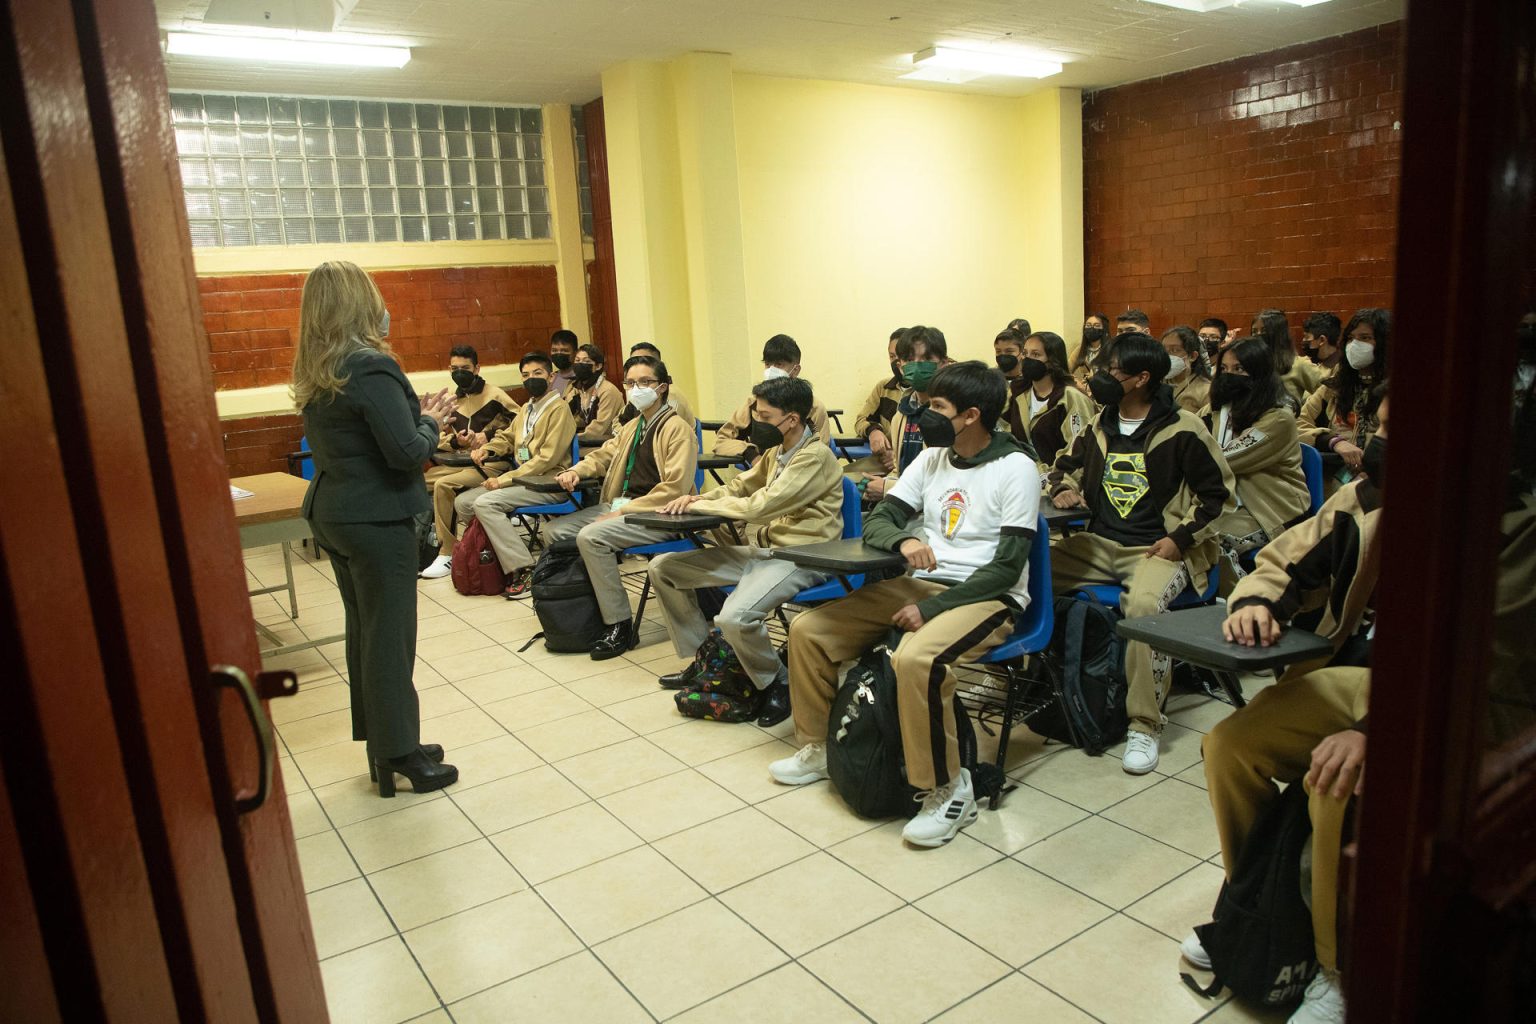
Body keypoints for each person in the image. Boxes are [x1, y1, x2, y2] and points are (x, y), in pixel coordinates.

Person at [773, 361, 1040, 848]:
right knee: (808, 630)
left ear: (972, 415)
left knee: (919, 658)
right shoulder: (932, 459)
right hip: (922, 584)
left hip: (986, 595)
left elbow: (1007, 567)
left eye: (937, 407)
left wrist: (932, 611)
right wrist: (902, 544)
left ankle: (946, 789)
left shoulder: (1017, 468)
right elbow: (880, 521)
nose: (922, 414)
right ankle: (816, 748)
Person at [1187, 389, 1388, 1024]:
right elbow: (1286, 557)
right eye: (1380, 424)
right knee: (1228, 746)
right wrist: (1256, 600)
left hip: (1442, 706)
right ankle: (1255, 910)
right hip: (1351, 674)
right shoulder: (1364, 499)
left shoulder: (1507, 519)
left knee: (1328, 784)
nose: (1380, 440)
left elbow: (1488, 660)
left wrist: (1371, 731)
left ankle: (1334, 970)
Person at [292, 260, 458, 798]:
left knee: (365, 633)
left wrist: (415, 420)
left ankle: (385, 742)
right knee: (390, 638)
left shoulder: (322, 368)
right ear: (360, 303)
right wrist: (433, 420)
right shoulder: (370, 366)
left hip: (336, 512)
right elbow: (406, 451)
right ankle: (399, 753)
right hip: (377, 517)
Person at [1047, 332, 1235, 774]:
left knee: (1144, 607)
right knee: (1027, 574)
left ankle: (1144, 724)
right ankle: (1038, 685)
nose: (1101, 377)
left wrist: (1181, 540)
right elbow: (1062, 466)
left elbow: (1220, 498)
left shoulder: (1184, 428)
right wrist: (1062, 490)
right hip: (1099, 544)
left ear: (1141, 378)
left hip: (1156, 548)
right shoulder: (1099, 423)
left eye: (1113, 370)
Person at [649, 376, 844, 725]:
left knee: (733, 617)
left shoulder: (814, 457)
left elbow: (761, 506)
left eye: (765, 417)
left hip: (806, 557)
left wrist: (702, 509)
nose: (756, 423)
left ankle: (777, 682)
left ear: (793, 420)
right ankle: (708, 660)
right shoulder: (777, 454)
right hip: (768, 553)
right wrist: (694, 499)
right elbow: (739, 487)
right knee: (664, 568)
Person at [548, 355, 699, 658]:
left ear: (663, 388)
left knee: (592, 537)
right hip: (623, 508)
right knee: (556, 531)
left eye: (645, 382)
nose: (636, 389)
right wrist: (578, 470)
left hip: (659, 515)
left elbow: (674, 488)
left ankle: (618, 624)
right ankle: (583, 613)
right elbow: (603, 455)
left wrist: (625, 512)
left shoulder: (676, 429)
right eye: (630, 383)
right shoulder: (632, 426)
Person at [448, 352, 578, 598]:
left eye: (537, 374)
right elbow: (507, 437)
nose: (531, 379)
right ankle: (495, 561)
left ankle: (524, 568)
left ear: (551, 377)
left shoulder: (558, 409)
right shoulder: (528, 408)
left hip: (548, 483)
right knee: (463, 502)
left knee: (486, 502)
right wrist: (488, 448)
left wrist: (504, 480)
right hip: (523, 481)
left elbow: (546, 460)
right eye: (525, 375)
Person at [1203, 337, 1311, 590]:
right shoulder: (1220, 410)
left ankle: (1245, 605)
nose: (1230, 376)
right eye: (1225, 369)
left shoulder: (1278, 418)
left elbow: (1224, 460)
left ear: (1259, 373)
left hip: (1269, 510)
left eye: (1239, 369)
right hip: (1228, 506)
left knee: (1210, 539)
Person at [420, 345, 519, 578]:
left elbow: (521, 425)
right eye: (455, 369)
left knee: (445, 487)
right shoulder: (452, 401)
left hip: (492, 464)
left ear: (477, 368)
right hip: (459, 462)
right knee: (419, 481)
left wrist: (489, 435)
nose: (460, 372)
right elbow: (437, 437)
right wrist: (457, 442)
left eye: (465, 368)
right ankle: (428, 542)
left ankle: (448, 552)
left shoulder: (495, 395)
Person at [1297, 308, 1391, 479]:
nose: (1354, 345)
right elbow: (1297, 425)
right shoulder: (1335, 385)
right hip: (1335, 478)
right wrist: (1333, 441)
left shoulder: (1393, 389)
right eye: (1350, 338)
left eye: (1365, 338)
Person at [862, 325, 949, 499]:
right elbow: (899, 469)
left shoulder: (951, 413)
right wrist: (880, 486)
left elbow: (946, 481)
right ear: (900, 366)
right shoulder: (902, 413)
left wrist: (888, 488)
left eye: (926, 358)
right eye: (909, 359)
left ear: (943, 363)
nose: (916, 365)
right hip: (904, 503)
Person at [712, 335, 831, 461]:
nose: (771, 370)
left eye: (779, 364)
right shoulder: (754, 403)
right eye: (768, 364)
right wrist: (751, 454)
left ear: (795, 370)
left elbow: (821, 455)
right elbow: (721, 441)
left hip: (800, 472)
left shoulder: (814, 407)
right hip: (763, 472)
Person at [1004, 330, 1092, 478]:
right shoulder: (1017, 392)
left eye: (1036, 355)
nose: (1028, 359)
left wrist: (1047, 475)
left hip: (1059, 481)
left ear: (1052, 361)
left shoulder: (1070, 398)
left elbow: (1077, 449)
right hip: (1019, 474)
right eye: (1025, 353)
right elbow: (1001, 429)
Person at [851, 327, 907, 476]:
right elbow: (861, 420)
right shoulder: (884, 388)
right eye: (891, 356)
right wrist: (873, 431)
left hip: (910, 468)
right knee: (840, 480)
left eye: (901, 356)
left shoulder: (926, 394)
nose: (896, 362)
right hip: (883, 463)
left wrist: (898, 456)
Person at [1253, 308, 1321, 409]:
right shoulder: (1249, 365)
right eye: (1254, 331)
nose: (1258, 335)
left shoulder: (1299, 364)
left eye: (1264, 331)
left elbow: (1325, 393)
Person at [624, 342, 695, 425]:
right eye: (633, 362)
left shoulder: (670, 395)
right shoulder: (636, 393)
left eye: (645, 381)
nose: (637, 364)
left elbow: (665, 425)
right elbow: (618, 422)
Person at [568, 343, 624, 443]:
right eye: (577, 360)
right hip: (590, 441)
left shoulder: (608, 391)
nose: (580, 364)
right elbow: (580, 417)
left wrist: (573, 438)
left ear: (598, 366)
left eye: (586, 361)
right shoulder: (578, 389)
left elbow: (599, 427)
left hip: (609, 442)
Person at [1161, 325, 1212, 413]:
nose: (1167, 356)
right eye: (1163, 350)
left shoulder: (1206, 391)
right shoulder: (1156, 384)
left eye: (1174, 350)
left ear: (1192, 356)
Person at [1071, 312, 1112, 389]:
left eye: (1097, 326)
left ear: (1104, 329)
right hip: (1085, 391)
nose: (1091, 328)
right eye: (1088, 325)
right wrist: (1076, 382)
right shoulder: (1080, 349)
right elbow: (1066, 371)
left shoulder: (1111, 348)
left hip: (1105, 390)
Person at [547, 329, 578, 396]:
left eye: (564, 350)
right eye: (554, 350)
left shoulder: (582, 379)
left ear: (575, 353)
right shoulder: (550, 379)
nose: (559, 354)